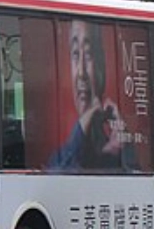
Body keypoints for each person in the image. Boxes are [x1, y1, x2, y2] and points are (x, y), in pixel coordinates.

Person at [48, 20, 122, 169]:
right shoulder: (59, 158)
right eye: (75, 54)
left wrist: (125, 141)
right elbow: (58, 177)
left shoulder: (117, 153)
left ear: (102, 67)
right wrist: (86, 119)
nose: (81, 73)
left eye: (88, 54)